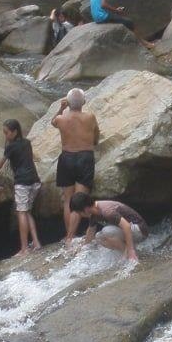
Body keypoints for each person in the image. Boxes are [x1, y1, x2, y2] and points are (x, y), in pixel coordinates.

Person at [0, 119, 43, 255]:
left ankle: (24, 248)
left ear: (15, 132)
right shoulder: (27, 143)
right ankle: (36, 242)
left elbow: (1, 163)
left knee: (21, 213)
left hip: (23, 183)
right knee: (27, 211)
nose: (5, 135)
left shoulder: (11, 147)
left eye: (7, 133)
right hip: (35, 181)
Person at [52, 89, 99, 244]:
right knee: (79, 199)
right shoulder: (90, 117)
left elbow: (53, 122)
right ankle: (73, 237)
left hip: (66, 158)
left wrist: (61, 108)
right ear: (84, 102)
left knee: (68, 201)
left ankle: (69, 237)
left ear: (68, 102)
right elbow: (96, 137)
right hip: (85, 157)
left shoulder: (61, 119)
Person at [70, 192, 148, 263]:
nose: (79, 215)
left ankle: (131, 252)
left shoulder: (107, 211)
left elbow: (126, 226)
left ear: (85, 209)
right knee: (99, 237)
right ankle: (127, 253)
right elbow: (90, 232)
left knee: (107, 231)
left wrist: (131, 250)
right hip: (130, 230)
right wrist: (82, 250)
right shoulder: (93, 214)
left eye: (78, 212)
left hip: (140, 230)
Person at [90, 0, 156, 50]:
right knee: (129, 22)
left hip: (96, 16)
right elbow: (103, 4)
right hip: (101, 16)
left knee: (120, 18)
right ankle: (145, 44)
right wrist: (116, 10)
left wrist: (115, 10)